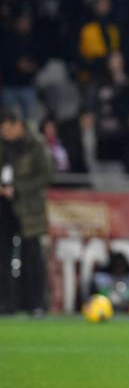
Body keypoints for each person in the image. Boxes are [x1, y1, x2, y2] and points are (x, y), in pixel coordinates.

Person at [0, 108, 54, 317]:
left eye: (7, 129)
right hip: (4, 207)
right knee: (3, 257)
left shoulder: (35, 144)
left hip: (29, 209)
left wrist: (18, 188)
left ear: (18, 125)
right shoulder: (3, 145)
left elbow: (47, 174)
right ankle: (7, 303)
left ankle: (36, 304)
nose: (4, 134)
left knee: (32, 256)